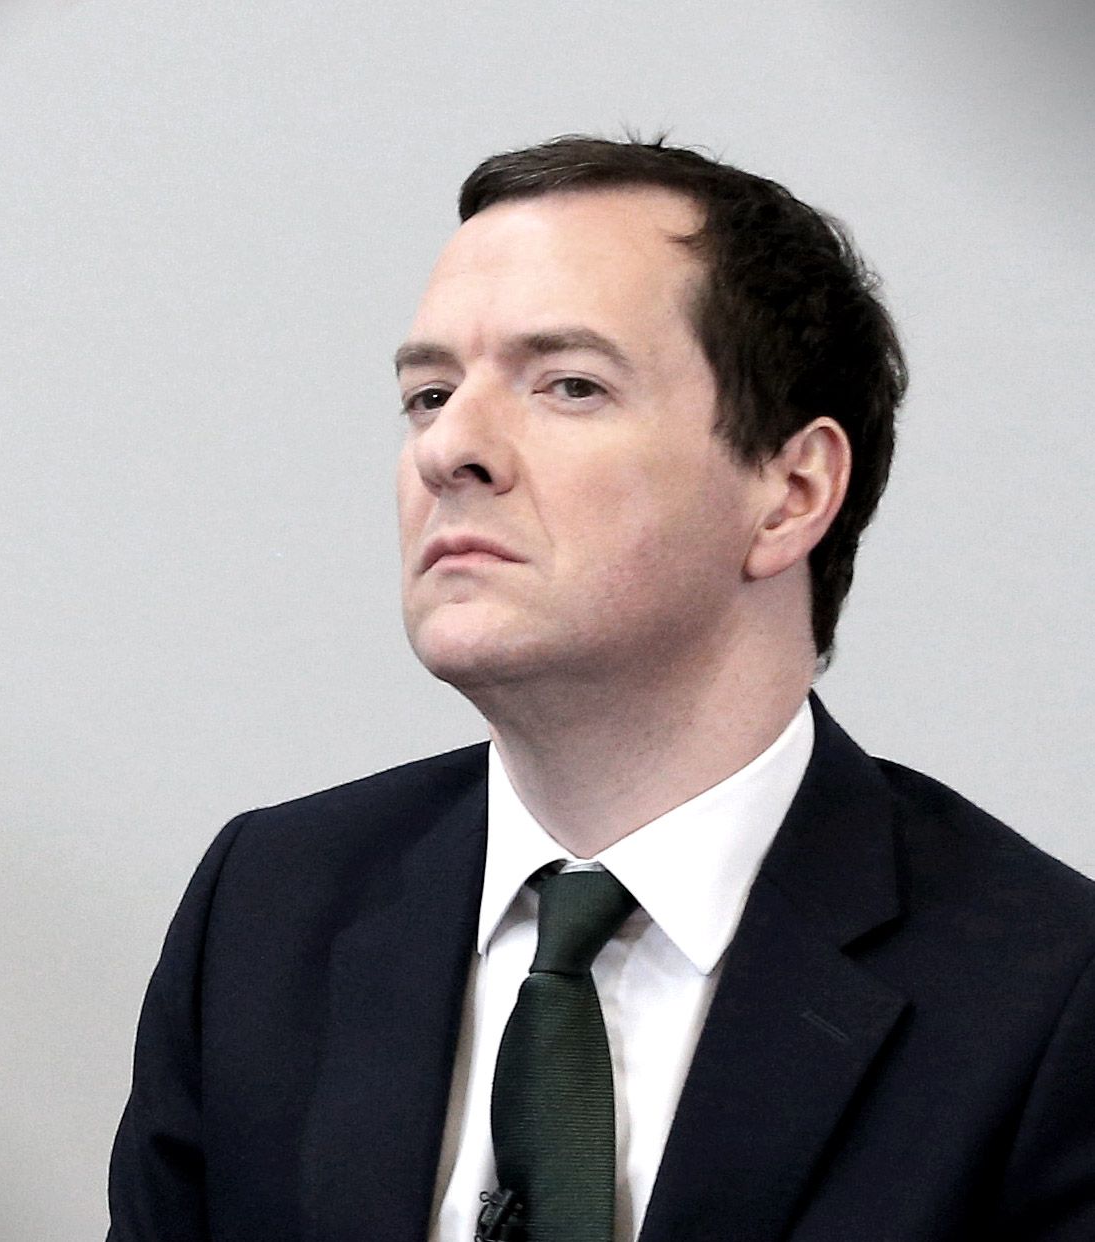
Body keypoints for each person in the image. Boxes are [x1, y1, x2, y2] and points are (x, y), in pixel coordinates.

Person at [106, 136, 1095, 1242]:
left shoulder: (1049, 999)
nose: (450, 450)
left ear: (790, 492)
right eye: (428, 393)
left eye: (569, 385)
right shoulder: (269, 911)